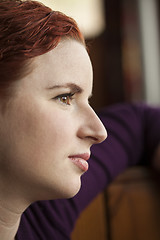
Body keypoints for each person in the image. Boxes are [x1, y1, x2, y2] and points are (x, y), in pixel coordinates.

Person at [0, 1, 159, 240]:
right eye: (65, 97)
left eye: (88, 100)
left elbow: (141, 122)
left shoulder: (44, 214)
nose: (99, 131)